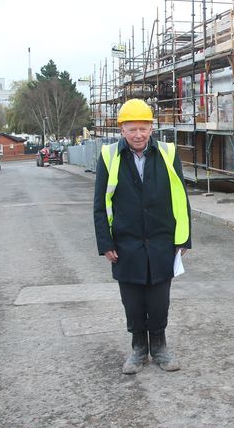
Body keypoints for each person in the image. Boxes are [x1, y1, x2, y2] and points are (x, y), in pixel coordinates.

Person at [93, 98, 192, 374]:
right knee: (133, 301)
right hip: (125, 244)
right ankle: (138, 349)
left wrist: (183, 238)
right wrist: (106, 243)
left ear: (152, 128)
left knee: (160, 300)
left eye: (144, 128)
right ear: (122, 129)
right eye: (132, 128)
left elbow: (181, 198)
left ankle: (159, 347)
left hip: (161, 241)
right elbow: (100, 204)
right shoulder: (109, 156)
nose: (138, 134)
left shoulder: (168, 154)